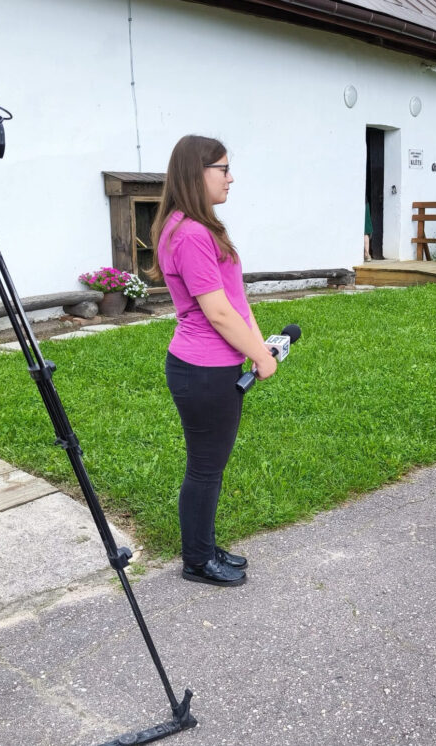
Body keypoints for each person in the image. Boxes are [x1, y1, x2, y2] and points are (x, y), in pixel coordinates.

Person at [151, 135, 276, 587]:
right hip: (203, 371)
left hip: (212, 366)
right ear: (196, 172)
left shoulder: (196, 227)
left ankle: (204, 545)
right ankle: (197, 560)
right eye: (222, 169)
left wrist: (258, 346)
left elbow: (236, 300)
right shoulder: (190, 233)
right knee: (205, 468)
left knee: (210, 466)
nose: (230, 177)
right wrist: (260, 356)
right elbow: (218, 311)